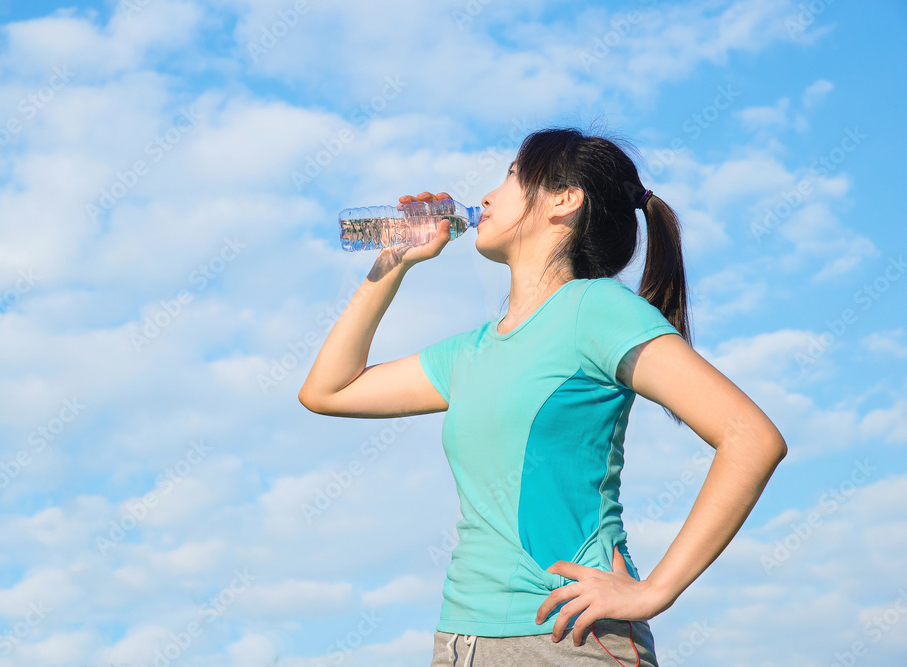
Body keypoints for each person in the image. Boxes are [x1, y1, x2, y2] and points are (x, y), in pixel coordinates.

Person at [298, 127, 788, 666]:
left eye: (511, 175)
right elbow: (328, 390)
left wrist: (656, 591)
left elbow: (751, 438)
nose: (486, 196)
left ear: (564, 200)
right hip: (461, 641)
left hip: (566, 640)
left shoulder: (596, 310)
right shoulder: (472, 351)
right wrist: (393, 262)